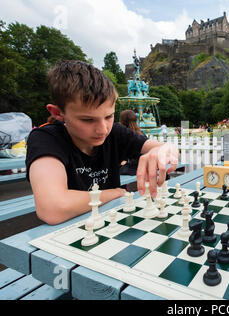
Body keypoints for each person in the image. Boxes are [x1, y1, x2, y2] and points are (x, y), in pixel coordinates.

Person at [26, 61, 179, 225]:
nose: (103, 129)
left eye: (109, 116)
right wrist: (115, 193)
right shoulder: (45, 138)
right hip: (63, 235)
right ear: (58, 113)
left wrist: (163, 149)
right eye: (87, 119)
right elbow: (52, 208)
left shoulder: (116, 132)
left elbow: (169, 150)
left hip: (110, 224)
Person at [118, 109, 146, 176]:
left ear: (121, 120)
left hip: (131, 168)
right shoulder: (141, 134)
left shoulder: (121, 135)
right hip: (141, 167)